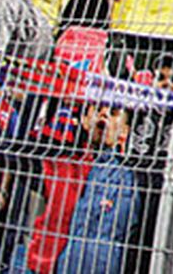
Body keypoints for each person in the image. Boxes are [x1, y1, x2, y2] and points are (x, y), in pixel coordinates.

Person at [52, 105, 140, 274]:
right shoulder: (66, 164)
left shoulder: (121, 176)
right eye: (98, 109)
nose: (104, 114)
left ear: (124, 132)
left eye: (113, 113)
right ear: (85, 121)